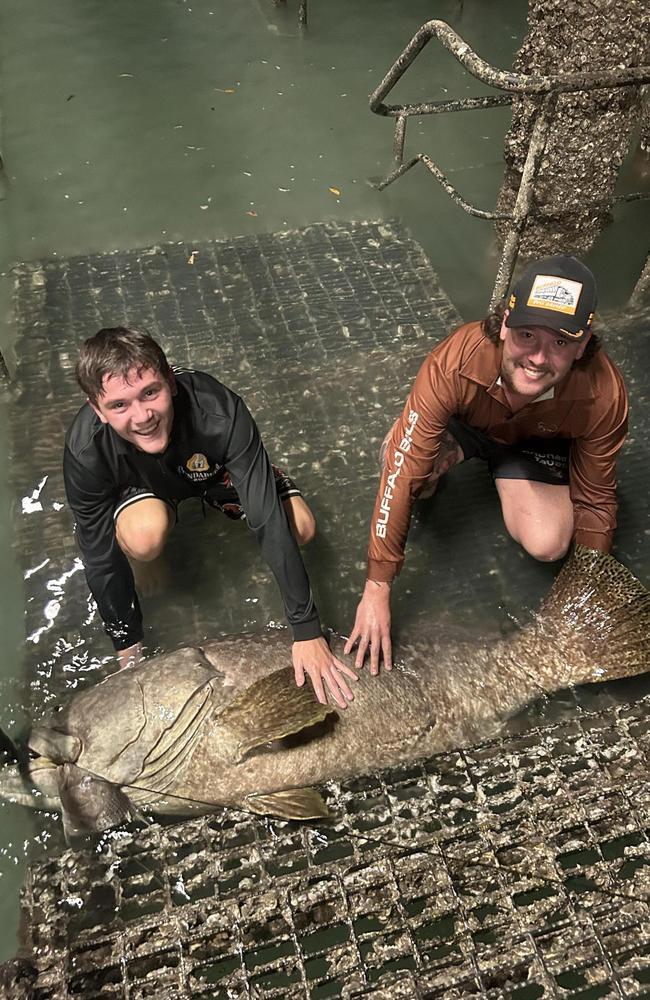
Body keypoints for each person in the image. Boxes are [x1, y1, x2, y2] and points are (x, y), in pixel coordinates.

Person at [345, 254, 629, 674]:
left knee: (548, 543)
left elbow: (597, 501)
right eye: (527, 334)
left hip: (537, 441)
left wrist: (580, 602)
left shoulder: (604, 396)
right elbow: (401, 473)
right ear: (505, 322)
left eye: (561, 343)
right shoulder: (456, 359)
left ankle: (503, 472)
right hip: (470, 424)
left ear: (583, 346)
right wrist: (377, 586)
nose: (537, 357)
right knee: (404, 462)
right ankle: (432, 433)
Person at [63, 327, 357, 707]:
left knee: (300, 526)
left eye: (150, 392)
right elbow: (99, 556)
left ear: (170, 381)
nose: (142, 416)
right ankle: (147, 554)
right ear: (97, 410)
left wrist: (306, 630)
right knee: (144, 540)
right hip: (141, 485)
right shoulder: (86, 451)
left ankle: (258, 470)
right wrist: (127, 648)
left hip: (212, 468)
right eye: (120, 405)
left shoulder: (217, 409)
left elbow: (268, 519)